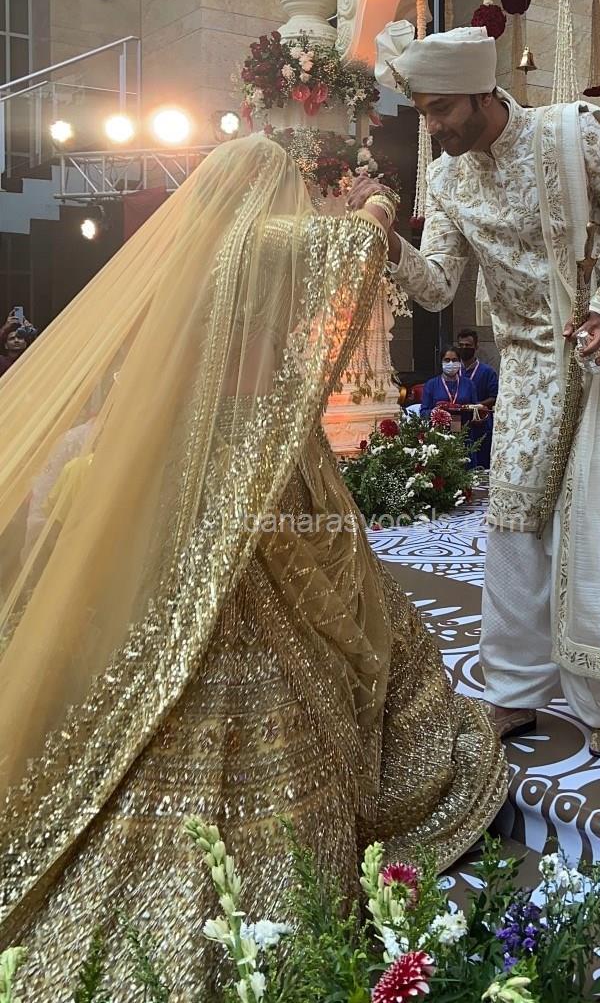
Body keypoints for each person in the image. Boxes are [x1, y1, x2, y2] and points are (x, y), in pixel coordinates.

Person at [0, 135, 507, 998]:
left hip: (200, 461)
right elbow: (358, 247)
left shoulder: (197, 261)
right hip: (259, 461)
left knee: (182, 631)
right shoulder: (263, 244)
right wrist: (379, 198)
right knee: (269, 629)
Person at [349, 22, 600, 759]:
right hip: (529, 371)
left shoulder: (573, 135)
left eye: (442, 109)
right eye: (423, 112)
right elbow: (437, 285)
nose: (433, 126)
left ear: (484, 93)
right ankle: (514, 690)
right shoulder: (447, 179)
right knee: (513, 523)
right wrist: (385, 239)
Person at [457, 328, 497, 469]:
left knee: (481, 464)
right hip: (458, 423)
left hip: (480, 424)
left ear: (476, 346)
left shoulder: (487, 372)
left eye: (468, 345)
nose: (464, 348)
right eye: (461, 345)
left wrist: (476, 406)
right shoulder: (454, 371)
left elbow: (494, 396)